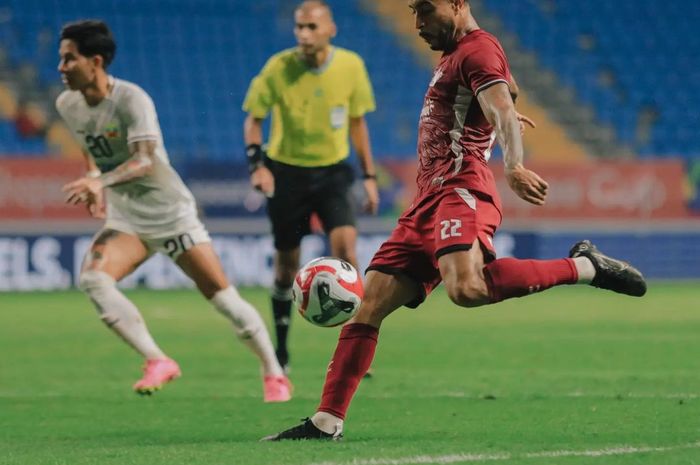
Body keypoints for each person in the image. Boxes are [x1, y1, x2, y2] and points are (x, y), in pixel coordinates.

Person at [263, 0, 647, 440]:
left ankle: (584, 266)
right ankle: (326, 421)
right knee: (367, 306)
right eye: (413, 13)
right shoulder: (460, 56)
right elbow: (504, 96)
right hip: (425, 200)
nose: (419, 23)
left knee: (467, 287)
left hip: (460, 187)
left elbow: (502, 105)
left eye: (426, 10)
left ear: (458, 4)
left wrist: (514, 161)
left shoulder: (477, 49)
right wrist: (498, 103)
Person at [56, 20, 291, 401]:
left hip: (170, 213)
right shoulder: (67, 104)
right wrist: (93, 177)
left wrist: (100, 181)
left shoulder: (133, 100)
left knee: (223, 298)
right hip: (127, 217)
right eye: (61, 59)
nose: (61, 67)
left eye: (69, 59)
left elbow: (145, 161)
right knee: (94, 279)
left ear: (95, 61)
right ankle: (157, 360)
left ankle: (273, 372)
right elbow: (88, 146)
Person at [242, 0, 380, 373]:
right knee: (287, 269)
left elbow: (358, 124)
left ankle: (353, 351)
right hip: (286, 172)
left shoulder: (350, 66)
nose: (303, 34)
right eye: (299, 27)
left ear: (330, 30)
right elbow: (254, 120)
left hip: (333, 172)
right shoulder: (279, 67)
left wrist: (369, 177)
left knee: (346, 251)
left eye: (311, 27)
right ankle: (281, 353)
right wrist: (258, 166)